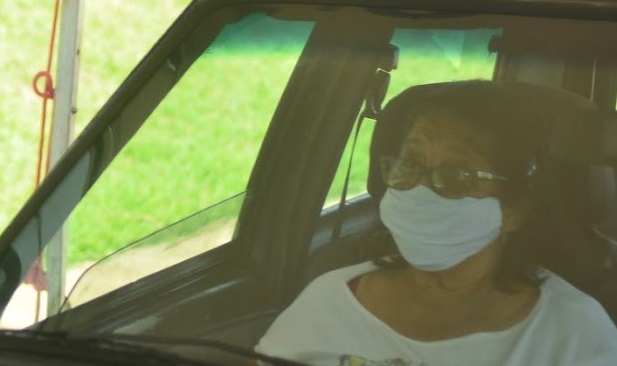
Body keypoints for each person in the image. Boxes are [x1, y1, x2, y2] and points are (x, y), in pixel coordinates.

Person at [256, 81, 617, 365]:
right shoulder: (328, 299)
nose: (420, 191)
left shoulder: (575, 335)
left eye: (456, 176)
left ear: (514, 209)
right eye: (409, 165)